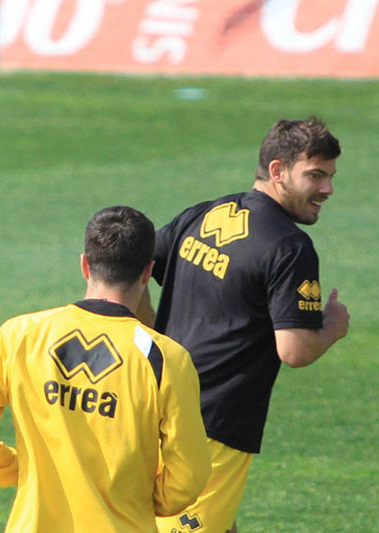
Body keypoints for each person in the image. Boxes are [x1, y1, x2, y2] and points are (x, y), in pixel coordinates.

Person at [0, 206, 211, 532]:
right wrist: (148, 500)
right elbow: (189, 475)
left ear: (85, 264)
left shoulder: (21, 334)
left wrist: (17, 470)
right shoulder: (166, 358)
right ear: (146, 272)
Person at [143, 117, 350, 533]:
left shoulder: (205, 212)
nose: (327, 189)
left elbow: (133, 268)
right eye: (315, 175)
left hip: (154, 408)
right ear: (277, 171)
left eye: (329, 176)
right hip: (213, 429)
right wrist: (332, 327)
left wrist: (150, 335)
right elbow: (294, 350)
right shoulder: (289, 247)